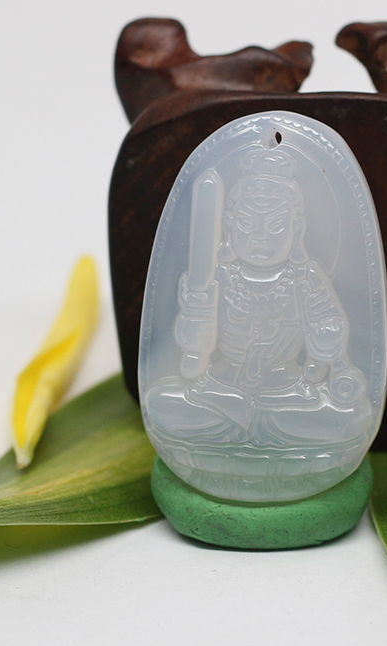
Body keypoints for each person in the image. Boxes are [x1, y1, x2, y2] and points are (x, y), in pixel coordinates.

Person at [145, 147, 372, 451]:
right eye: (246, 224)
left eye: (275, 226)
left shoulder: (305, 278)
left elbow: (329, 322)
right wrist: (195, 325)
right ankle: (253, 430)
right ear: (228, 226)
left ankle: (247, 430)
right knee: (160, 402)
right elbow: (191, 346)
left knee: (352, 417)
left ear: (296, 229)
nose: (259, 237)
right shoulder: (216, 276)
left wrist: (327, 334)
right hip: (220, 388)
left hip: (286, 392)